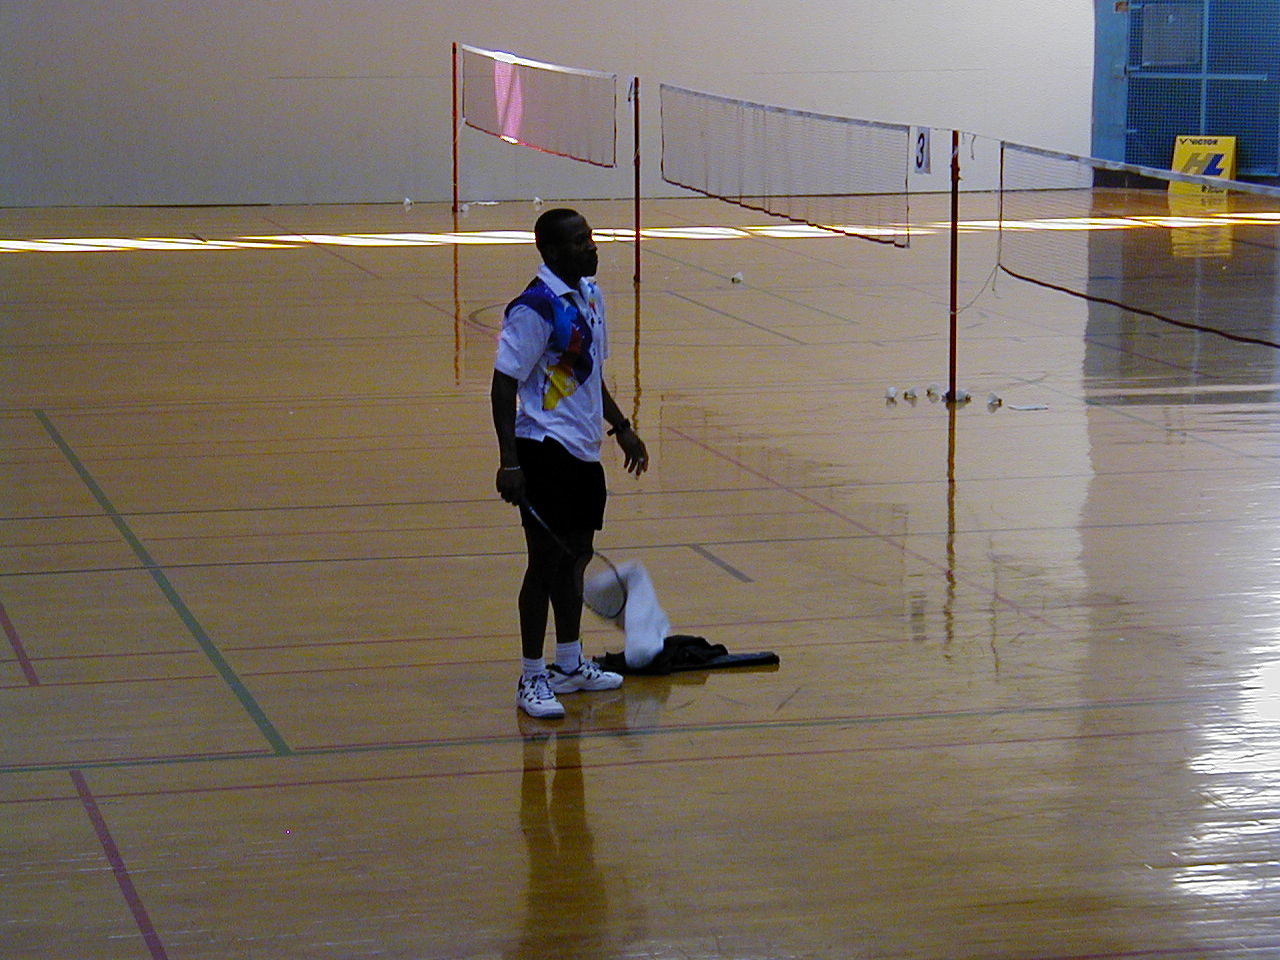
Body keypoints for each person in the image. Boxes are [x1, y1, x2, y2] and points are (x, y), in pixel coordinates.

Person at [491, 208, 649, 718]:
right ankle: (532, 676)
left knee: (576, 556)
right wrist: (510, 463)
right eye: (580, 242)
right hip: (543, 449)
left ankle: (568, 663)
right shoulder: (535, 308)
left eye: (590, 238)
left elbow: (587, 372)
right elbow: (503, 384)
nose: (592, 247)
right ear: (552, 251)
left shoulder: (590, 297)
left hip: (584, 450)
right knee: (543, 565)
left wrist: (621, 427)